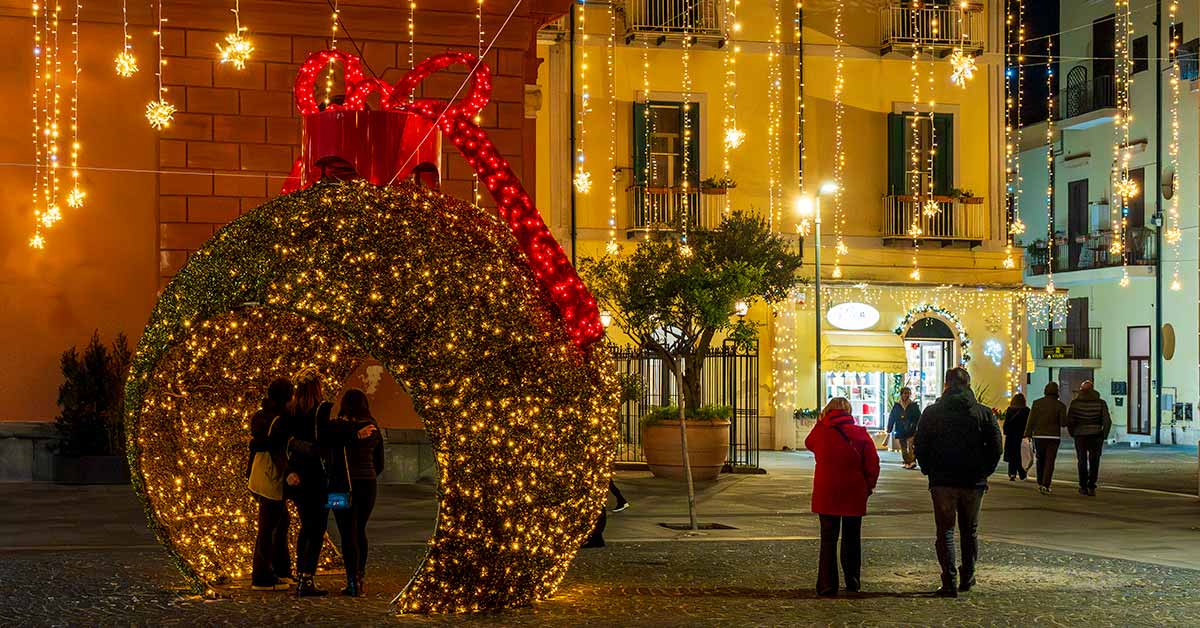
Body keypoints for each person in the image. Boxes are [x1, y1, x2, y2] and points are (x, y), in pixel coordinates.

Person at [914, 368, 1002, 598]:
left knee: (945, 531)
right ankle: (968, 575)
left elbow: (920, 444)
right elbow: (996, 447)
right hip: (973, 481)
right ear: (968, 385)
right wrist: (985, 471)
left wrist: (928, 469)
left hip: (942, 480)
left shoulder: (932, 413)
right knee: (969, 531)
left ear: (946, 385)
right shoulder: (983, 413)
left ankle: (949, 580)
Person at [805, 397, 880, 596]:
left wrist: (820, 422)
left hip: (826, 491)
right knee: (852, 538)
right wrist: (869, 486)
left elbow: (808, 443)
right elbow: (873, 463)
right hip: (854, 492)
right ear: (849, 411)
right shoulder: (860, 433)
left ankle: (827, 585)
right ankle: (852, 580)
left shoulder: (821, 432)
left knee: (828, 540)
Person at [281, 370, 336, 597]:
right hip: (319, 477)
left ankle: (302, 575)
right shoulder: (323, 409)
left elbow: (283, 443)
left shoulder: (290, 411)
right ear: (317, 387)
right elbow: (328, 442)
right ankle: (307, 577)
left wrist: (289, 470)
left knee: (306, 526)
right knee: (318, 527)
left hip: (297, 477)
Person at [325, 389, 384, 597]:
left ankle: (351, 580)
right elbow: (380, 463)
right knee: (359, 529)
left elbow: (327, 437)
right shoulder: (373, 428)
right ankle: (359, 578)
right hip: (368, 485)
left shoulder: (337, 428)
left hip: (338, 485)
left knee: (346, 532)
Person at [247, 378, 294, 591]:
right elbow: (278, 451)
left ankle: (280, 570)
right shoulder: (279, 420)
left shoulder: (261, 415)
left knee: (280, 521)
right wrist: (289, 473)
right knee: (269, 527)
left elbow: (258, 443)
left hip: (258, 475)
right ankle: (263, 576)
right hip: (271, 477)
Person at [1066, 380, 1112, 496]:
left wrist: (1072, 433)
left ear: (1081, 390)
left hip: (1080, 435)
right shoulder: (1101, 403)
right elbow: (1107, 420)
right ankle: (1091, 485)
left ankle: (1083, 486)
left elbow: (1070, 420)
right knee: (1094, 461)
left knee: (1081, 460)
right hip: (1096, 435)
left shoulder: (1075, 403)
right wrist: (1104, 435)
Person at [1024, 382, 1067, 495]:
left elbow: (1031, 420)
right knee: (1050, 461)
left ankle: (1040, 482)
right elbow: (1063, 423)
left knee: (1040, 459)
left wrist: (1028, 433)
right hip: (1053, 437)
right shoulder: (1060, 405)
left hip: (1039, 436)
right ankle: (1046, 484)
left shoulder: (1037, 403)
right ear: (1057, 391)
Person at [886, 387, 921, 469]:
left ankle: (912, 461)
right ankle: (907, 462)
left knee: (911, 446)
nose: (906, 395)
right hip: (900, 428)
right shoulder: (897, 405)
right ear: (901, 394)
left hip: (911, 428)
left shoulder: (914, 405)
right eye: (905, 393)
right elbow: (892, 417)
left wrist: (918, 427)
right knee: (903, 447)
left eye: (908, 393)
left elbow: (919, 417)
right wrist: (889, 428)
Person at [1001, 394, 1030, 481]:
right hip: (1021, 436)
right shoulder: (1026, 410)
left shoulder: (1010, 410)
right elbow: (1028, 423)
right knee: (1019, 455)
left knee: (1012, 455)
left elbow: (1006, 423)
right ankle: (1021, 473)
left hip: (1011, 436)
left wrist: (1005, 431)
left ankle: (1012, 473)